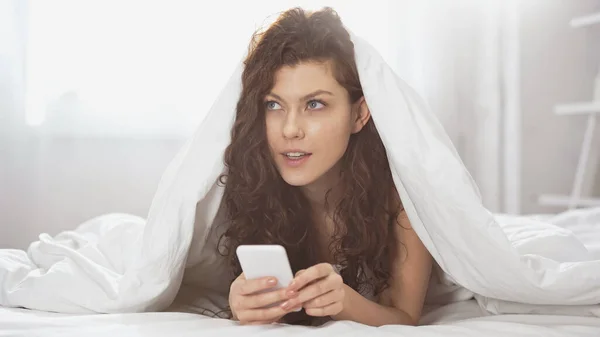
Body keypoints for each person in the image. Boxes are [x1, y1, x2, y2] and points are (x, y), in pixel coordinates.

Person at [217, 7, 432, 327]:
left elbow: (404, 318)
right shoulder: (255, 182)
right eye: (273, 105)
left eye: (314, 104)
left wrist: (344, 302)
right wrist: (241, 303)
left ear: (359, 114)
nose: (290, 130)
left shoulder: (402, 199)